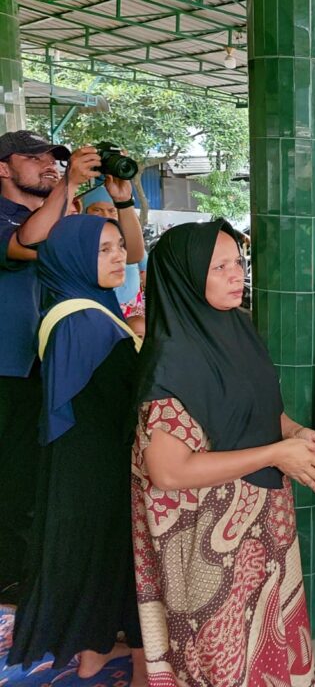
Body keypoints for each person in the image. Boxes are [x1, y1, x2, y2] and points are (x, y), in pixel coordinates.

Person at [131, 219, 315, 687]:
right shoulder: (172, 358)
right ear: (184, 276)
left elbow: (263, 411)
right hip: (206, 541)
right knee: (223, 658)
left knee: (270, 635)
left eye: (237, 262)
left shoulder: (238, 329)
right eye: (218, 266)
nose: (236, 274)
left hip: (261, 519)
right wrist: (275, 454)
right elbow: (169, 471)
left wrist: (296, 433)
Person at [0, 132, 140, 600]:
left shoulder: (64, 213)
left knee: (42, 478)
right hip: (9, 370)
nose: (49, 165)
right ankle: (16, 583)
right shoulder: (15, 220)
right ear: (3, 167)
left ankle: (40, 578)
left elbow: (131, 253)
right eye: (34, 158)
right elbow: (26, 245)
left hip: (53, 363)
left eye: (54, 160)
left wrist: (121, 204)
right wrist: (70, 188)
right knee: (15, 478)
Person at [7, 215, 145, 683]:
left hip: (79, 461)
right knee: (115, 554)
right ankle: (140, 662)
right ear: (73, 258)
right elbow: (123, 398)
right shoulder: (84, 320)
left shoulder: (78, 305)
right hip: (100, 465)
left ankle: (93, 651)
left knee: (93, 554)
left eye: (118, 246)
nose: (118, 257)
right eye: (103, 250)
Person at [81, 183, 148, 324]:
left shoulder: (131, 243)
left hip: (133, 316)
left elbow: (146, 273)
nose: (106, 215)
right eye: (97, 210)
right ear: (85, 212)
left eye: (112, 210)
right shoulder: (79, 244)